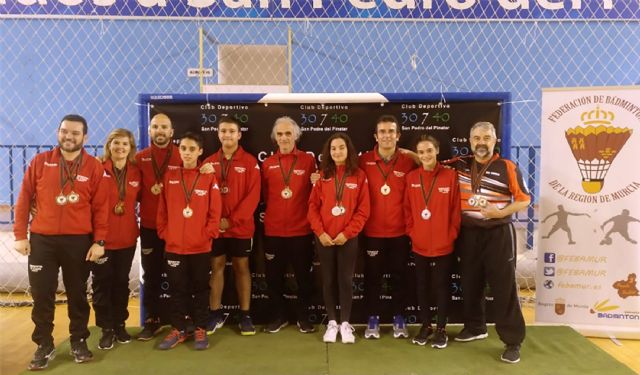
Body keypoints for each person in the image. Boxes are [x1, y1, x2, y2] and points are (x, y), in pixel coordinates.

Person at [13, 114, 108, 370]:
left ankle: (78, 340)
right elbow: (23, 199)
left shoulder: (93, 167)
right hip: (42, 241)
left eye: (75, 133)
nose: (69, 136)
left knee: (77, 294)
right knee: (42, 295)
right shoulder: (40, 162)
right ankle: (44, 344)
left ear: (85, 137)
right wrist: (20, 235)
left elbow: (101, 207)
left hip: (78, 241)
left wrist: (99, 241)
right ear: (58, 132)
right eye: (65, 131)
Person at [447, 121, 530, 364]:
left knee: (503, 288)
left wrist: (500, 212)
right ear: (470, 141)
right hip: (469, 234)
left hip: (498, 233)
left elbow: (524, 201)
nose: (481, 142)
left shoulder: (507, 167)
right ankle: (475, 327)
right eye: (476, 138)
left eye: (486, 138)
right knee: (470, 283)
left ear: (495, 141)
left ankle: (513, 341)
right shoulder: (459, 166)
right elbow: (428, 162)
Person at [156, 132, 222, 350]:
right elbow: (162, 209)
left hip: (200, 246)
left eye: (192, 149)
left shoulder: (208, 176)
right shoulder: (170, 176)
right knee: (177, 289)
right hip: (174, 246)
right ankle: (178, 329)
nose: (187, 153)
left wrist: (208, 234)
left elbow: (215, 211)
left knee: (201, 289)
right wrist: (165, 233)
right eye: (183, 148)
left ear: (200, 151)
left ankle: (201, 328)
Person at [308, 132, 370, 344]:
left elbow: (363, 210)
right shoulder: (322, 175)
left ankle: (345, 324)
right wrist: (321, 233)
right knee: (329, 280)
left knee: (345, 280)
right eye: (333, 148)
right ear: (328, 152)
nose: (337, 151)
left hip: (347, 237)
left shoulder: (359, 175)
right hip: (324, 237)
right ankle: (332, 323)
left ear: (348, 150)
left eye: (341, 147)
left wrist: (347, 233)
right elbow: (312, 208)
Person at [358, 115, 417, 339]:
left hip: (400, 232)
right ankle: (372, 319)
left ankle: (399, 318)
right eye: (382, 131)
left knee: (399, 277)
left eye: (391, 131)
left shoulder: (407, 161)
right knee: (372, 277)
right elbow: (339, 172)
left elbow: (430, 166)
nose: (386, 135)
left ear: (398, 135)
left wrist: (411, 154)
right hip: (372, 232)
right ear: (375, 136)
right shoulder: (364, 161)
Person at [203, 117, 261, 336]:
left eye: (231, 131)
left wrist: (232, 220)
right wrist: (216, 221)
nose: (227, 134)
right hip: (216, 227)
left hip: (240, 227)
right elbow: (203, 195)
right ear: (218, 134)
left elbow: (253, 197)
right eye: (223, 131)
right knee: (216, 266)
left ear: (239, 135)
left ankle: (245, 315)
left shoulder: (250, 162)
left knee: (241, 267)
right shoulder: (208, 162)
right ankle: (214, 313)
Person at [403, 135, 460, 349]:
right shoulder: (411, 178)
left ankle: (441, 329)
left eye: (429, 150)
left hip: (444, 244)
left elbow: (456, 210)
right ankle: (426, 325)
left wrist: (451, 234)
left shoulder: (450, 176)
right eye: (421, 152)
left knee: (442, 287)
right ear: (417, 155)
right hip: (420, 244)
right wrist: (412, 232)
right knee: (423, 286)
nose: (425, 155)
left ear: (437, 151)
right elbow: (407, 210)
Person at [261, 117, 317, 334]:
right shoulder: (267, 164)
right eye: (280, 134)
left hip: (301, 230)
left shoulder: (308, 161)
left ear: (296, 135)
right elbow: (266, 195)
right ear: (275, 137)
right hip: (274, 231)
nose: (284, 138)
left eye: (288, 133)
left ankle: (303, 318)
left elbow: (315, 194)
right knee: (273, 279)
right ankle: (279, 317)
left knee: (304, 278)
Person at [93, 128, 142, 350]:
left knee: (121, 283)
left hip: (127, 238)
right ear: (109, 146)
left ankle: (120, 325)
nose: (120, 147)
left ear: (131, 148)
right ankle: (106, 328)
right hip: (101, 238)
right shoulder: (96, 168)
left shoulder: (135, 172)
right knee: (102, 284)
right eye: (116, 143)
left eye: (125, 144)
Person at [135, 113, 182, 340]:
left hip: (177, 227)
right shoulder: (139, 158)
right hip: (150, 227)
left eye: (164, 127)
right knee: (151, 275)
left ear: (172, 132)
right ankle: (152, 320)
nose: (160, 131)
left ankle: (181, 320)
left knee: (179, 276)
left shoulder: (183, 155)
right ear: (149, 131)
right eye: (155, 127)